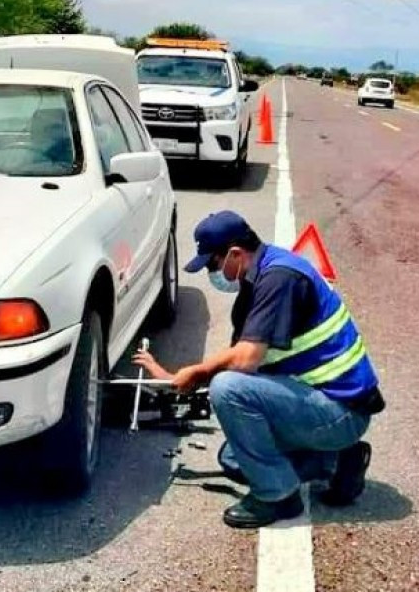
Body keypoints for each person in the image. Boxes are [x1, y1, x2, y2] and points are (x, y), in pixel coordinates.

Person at [134, 211, 385, 529]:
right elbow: (240, 360)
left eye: (213, 264)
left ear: (236, 254)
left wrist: (196, 372)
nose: (213, 272)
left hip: (341, 411)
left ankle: (278, 497)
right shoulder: (258, 280)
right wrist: (173, 379)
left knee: (228, 388)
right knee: (234, 459)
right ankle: (337, 462)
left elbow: (245, 361)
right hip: (318, 400)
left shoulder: (279, 279)